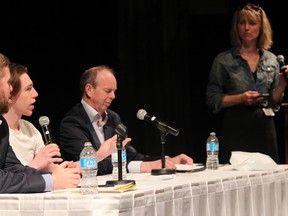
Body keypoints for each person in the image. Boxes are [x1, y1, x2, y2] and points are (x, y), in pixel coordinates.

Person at [59, 65, 193, 175]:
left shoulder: (113, 117)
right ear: (89, 89)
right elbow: (89, 165)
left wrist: (165, 161)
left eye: (114, 91)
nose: (113, 96)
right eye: (108, 91)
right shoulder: (72, 123)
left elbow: (129, 155)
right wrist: (143, 167)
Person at [206, 3, 288, 164]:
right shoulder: (224, 60)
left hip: (264, 128)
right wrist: (241, 99)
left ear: (261, 27)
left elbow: (273, 101)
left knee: (267, 178)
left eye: (252, 23)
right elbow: (212, 99)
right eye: (242, 23)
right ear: (236, 26)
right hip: (236, 126)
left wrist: (283, 84)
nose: (246, 28)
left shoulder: (272, 59)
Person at [0, 52, 80, 193]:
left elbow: (15, 170)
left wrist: (58, 176)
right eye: (7, 83)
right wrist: (51, 181)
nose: (10, 88)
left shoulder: (2, 126)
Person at [3, 63, 63, 172]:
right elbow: (7, 179)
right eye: (28, 89)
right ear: (10, 95)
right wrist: (35, 164)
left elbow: (48, 168)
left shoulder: (29, 128)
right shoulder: (2, 134)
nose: (35, 93)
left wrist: (68, 168)